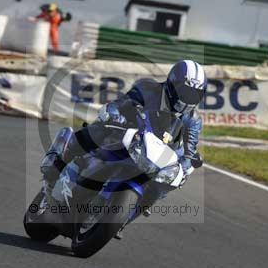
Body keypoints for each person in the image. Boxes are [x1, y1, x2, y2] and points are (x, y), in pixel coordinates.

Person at [42, 60, 206, 237]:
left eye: (194, 94)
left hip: (155, 153)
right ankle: (58, 159)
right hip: (127, 132)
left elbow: (190, 148)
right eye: (185, 91)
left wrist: (187, 163)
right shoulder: (148, 88)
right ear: (173, 84)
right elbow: (121, 103)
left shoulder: (193, 119)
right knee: (98, 131)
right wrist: (114, 113)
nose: (188, 98)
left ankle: (123, 220)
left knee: (164, 184)